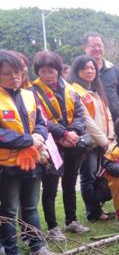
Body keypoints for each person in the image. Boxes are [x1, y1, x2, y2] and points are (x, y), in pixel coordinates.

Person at [0, 50, 54, 255]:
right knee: (9, 210)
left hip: (33, 162)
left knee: (31, 207)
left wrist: (38, 138)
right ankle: (12, 253)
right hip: (8, 166)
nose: (14, 77)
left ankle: (37, 245)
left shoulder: (30, 95)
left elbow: (41, 122)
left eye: (18, 73)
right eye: (7, 73)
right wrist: (26, 140)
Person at [31, 51, 90, 235]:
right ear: (38, 72)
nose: (49, 75)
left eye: (52, 71)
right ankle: (52, 226)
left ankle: (71, 220)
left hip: (72, 142)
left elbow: (80, 113)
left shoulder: (69, 89)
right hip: (50, 145)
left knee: (70, 183)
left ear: (58, 70)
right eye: (44, 71)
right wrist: (62, 133)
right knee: (50, 187)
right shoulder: (32, 92)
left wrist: (74, 133)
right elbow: (38, 119)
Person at [69, 55, 114, 222]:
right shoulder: (75, 90)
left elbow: (106, 114)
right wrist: (104, 141)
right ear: (77, 71)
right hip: (89, 143)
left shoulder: (95, 90)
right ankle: (93, 212)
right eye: (85, 68)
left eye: (92, 68)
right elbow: (87, 121)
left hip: (102, 141)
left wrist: (110, 137)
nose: (89, 71)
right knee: (88, 178)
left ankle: (98, 208)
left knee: (98, 176)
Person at [82, 32, 119, 122]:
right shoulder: (79, 71)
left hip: (114, 120)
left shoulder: (113, 69)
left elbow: (118, 92)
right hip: (92, 124)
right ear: (84, 48)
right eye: (93, 46)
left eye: (100, 45)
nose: (97, 48)